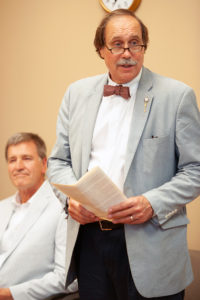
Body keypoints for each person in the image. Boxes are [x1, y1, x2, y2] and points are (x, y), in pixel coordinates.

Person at [47, 9, 200, 300]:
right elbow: (58, 161)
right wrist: (71, 200)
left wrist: (152, 203)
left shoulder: (177, 96)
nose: (127, 52)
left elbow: (196, 170)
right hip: (90, 240)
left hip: (153, 242)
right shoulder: (76, 93)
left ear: (144, 47)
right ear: (101, 50)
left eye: (135, 43)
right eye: (117, 44)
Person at [0, 132, 77, 300]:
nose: (18, 166)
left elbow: (67, 279)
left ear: (44, 165)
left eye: (26, 158)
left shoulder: (63, 206)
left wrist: (9, 294)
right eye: (12, 160)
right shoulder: (1, 207)